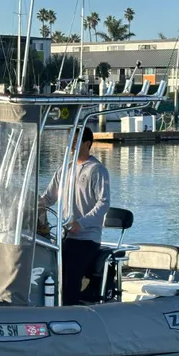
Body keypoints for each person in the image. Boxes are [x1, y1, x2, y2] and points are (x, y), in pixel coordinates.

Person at [39, 126, 110, 306]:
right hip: (65, 237)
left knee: (69, 275)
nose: (71, 146)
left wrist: (81, 223)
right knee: (46, 267)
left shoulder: (97, 170)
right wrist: (30, 207)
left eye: (76, 142)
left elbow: (103, 203)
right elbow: (47, 198)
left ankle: (70, 311)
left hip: (87, 238)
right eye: (70, 142)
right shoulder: (65, 169)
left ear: (88, 144)